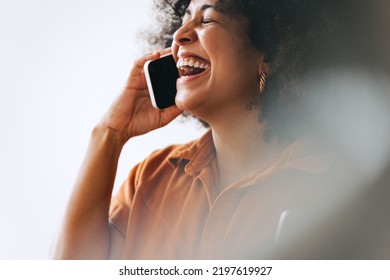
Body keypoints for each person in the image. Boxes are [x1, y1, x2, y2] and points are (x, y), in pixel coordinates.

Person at [54, 0, 390, 259]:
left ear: (270, 52)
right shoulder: (151, 178)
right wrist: (109, 134)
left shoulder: (335, 182)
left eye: (208, 18)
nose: (180, 35)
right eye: (184, 19)